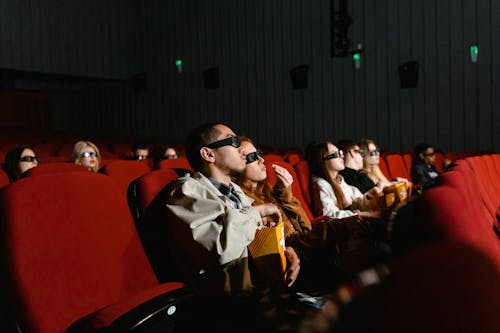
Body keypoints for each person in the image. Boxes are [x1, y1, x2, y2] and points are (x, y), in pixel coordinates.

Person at [165, 123, 300, 294]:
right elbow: (221, 250)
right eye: (233, 141)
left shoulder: (235, 192)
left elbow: (255, 242)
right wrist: (257, 212)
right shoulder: (186, 191)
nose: (241, 150)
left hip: (265, 289)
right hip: (235, 303)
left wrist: (287, 253)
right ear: (208, 154)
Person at [306, 141, 379, 219]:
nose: (342, 156)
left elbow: (355, 198)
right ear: (323, 160)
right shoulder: (320, 184)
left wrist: (368, 196)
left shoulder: (339, 180)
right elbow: (328, 215)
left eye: (341, 153)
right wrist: (362, 214)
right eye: (336, 154)